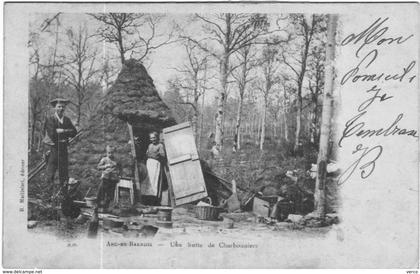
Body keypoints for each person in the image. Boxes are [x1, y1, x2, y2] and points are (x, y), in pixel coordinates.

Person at [43, 98, 77, 201]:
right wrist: (65, 133)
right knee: (50, 174)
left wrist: (62, 131)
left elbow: (74, 132)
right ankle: (47, 197)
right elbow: (53, 134)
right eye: (59, 106)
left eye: (63, 107)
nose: (61, 108)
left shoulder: (66, 120)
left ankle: (63, 197)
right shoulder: (50, 119)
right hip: (52, 149)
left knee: (64, 174)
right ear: (55, 108)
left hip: (63, 150)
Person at [96, 145, 122, 211]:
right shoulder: (104, 159)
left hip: (113, 179)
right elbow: (98, 167)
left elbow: (120, 168)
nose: (110, 154)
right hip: (105, 178)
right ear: (106, 152)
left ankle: (106, 208)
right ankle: (99, 207)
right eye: (109, 153)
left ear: (114, 153)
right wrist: (105, 166)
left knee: (110, 194)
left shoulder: (117, 160)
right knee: (101, 192)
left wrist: (119, 175)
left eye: (112, 153)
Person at [145, 132, 166, 200]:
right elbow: (147, 153)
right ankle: (146, 196)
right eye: (151, 138)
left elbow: (163, 155)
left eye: (154, 137)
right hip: (149, 163)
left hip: (155, 163)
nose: (152, 139)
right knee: (148, 180)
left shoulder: (160, 145)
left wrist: (158, 154)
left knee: (154, 180)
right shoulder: (150, 145)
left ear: (157, 137)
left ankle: (153, 197)